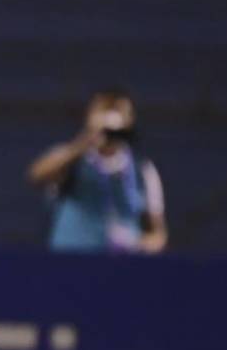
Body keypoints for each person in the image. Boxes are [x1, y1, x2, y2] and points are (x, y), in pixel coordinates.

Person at [28, 89, 167, 254]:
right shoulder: (72, 159)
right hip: (72, 263)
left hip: (121, 269)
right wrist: (82, 144)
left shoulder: (142, 168)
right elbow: (37, 175)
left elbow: (157, 232)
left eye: (119, 111)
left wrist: (141, 246)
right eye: (105, 110)